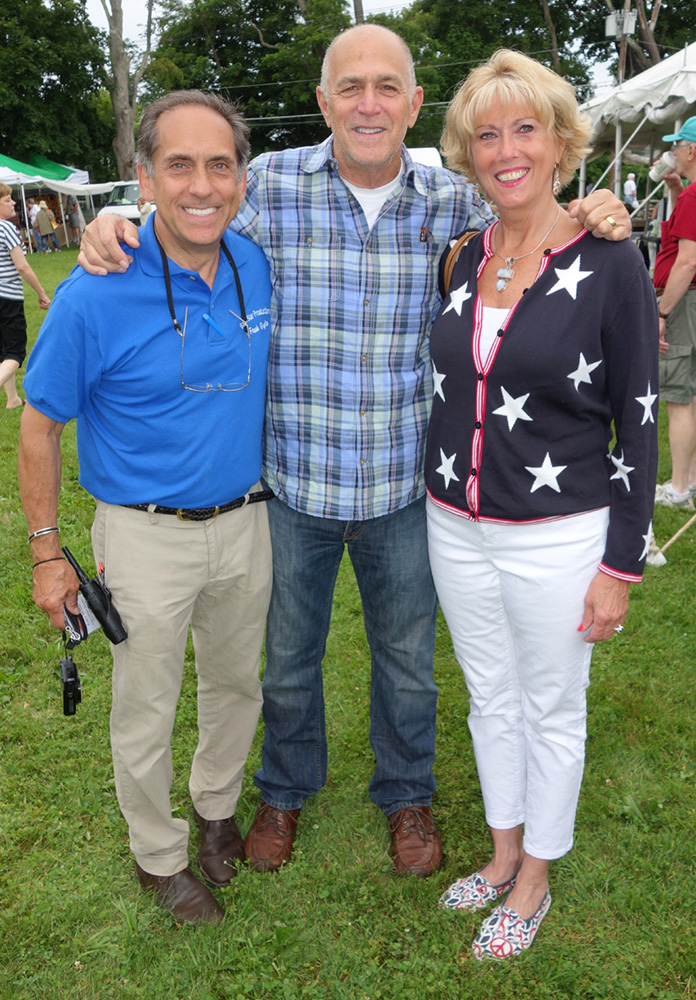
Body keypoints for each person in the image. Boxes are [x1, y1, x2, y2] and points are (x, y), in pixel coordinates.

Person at [77, 25, 631, 881]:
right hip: (292, 481)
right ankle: (285, 792)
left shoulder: (456, 200)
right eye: (350, 87)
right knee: (288, 660)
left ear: (414, 104)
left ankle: (405, 794)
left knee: (408, 664)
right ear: (325, 98)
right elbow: (192, 201)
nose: (368, 104)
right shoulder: (268, 186)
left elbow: (540, 214)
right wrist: (115, 221)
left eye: (387, 88)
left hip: (409, 487)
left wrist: (602, 208)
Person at [18, 91, 273, 925]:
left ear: (241, 177)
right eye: (179, 166)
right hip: (144, 535)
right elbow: (40, 421)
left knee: (238, 685)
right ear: (145, 178)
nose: (202, 185)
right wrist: (47, 551)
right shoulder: (96, 291)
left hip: (247, 521)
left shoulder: (254, 262)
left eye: (220, 165)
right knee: (146, 706)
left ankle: (214, 809)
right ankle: (157, 858)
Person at [425, 49, 658, 958]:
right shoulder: (460, 254)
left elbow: (638, 424)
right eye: (486, 133)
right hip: (455, 523)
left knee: (553, 705)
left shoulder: (610, 262)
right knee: (490, 698)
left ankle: (536, 876)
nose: (505, 149)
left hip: (559, 536)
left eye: (525, 128)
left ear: (561, 142)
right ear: (468, 153)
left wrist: (619, 565)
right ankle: (501, 849)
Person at [652, 117, 696, 510]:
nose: (674, 153)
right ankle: (691, 480)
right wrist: (677, 189)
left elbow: (687, 262)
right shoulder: (690, 193)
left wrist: (662, 313)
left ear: (692, 150)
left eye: (677, 146)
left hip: (685, 302)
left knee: (680, 398)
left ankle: (679, 489)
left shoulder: (695, 195)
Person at [0, 184, 50, 408]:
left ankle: (12, 400)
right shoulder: (6, 228)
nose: (13, 203)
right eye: (7, 199)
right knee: (15, 352)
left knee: (3, 350)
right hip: (8, 299)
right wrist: (41, 292)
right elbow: (22, 267)